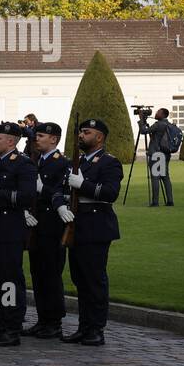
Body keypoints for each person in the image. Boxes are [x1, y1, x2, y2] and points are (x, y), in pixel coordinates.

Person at [53, 118, 123, 346]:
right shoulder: (77, 162)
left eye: (86, 132)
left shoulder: (109, 163)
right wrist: (60, 205)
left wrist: (83, 185)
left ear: (99, 137)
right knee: (80, 280)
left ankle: (96, 328)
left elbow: (110, 193)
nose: (81, 136)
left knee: (94, 281)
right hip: (75, 226)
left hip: (96, 228)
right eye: (81, 132)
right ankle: (84, 326)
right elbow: (60, 190)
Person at [0, 121, 36, 346]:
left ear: (11, 141)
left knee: (10, 280)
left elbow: (26, 197)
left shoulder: (23, 164)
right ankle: (2, 321)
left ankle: (12, 326)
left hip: (10, 229)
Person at [26, 121, 70, 339]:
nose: (37, 139)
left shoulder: (61, 163)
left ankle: (54, 321)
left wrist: (44, 190)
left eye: (41, 136)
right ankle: (43, 318)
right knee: (38, 272)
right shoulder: (36, 161)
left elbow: (64, 192)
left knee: (51, 273)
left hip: (52, 224)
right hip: (36, 224)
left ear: (53, 139)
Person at [147, 108, 177, 207]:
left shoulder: (159, 124)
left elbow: (144, 131)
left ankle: (155, 202)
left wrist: (141, 120)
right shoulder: (168, 125)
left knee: (155, 177)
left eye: (158, 112)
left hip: (156, 154)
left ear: (163, 115)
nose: (155, 113)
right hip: (165, 154)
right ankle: (170, 201)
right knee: (165, 178)